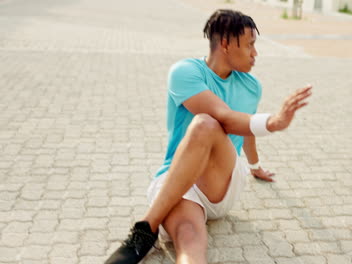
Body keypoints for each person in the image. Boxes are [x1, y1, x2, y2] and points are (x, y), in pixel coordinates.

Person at [105, 9, 312, 264]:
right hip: (178, 182)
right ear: (225, 44)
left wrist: (255, 165)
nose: (255, 53)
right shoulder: (185, 72)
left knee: (205, 124)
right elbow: (226, 117)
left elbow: (242, 129)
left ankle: (146, 227)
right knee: (188, 237)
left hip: (221, 181)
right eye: (250, 45)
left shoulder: (251, 86)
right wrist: (273, 122)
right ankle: (156, 237)